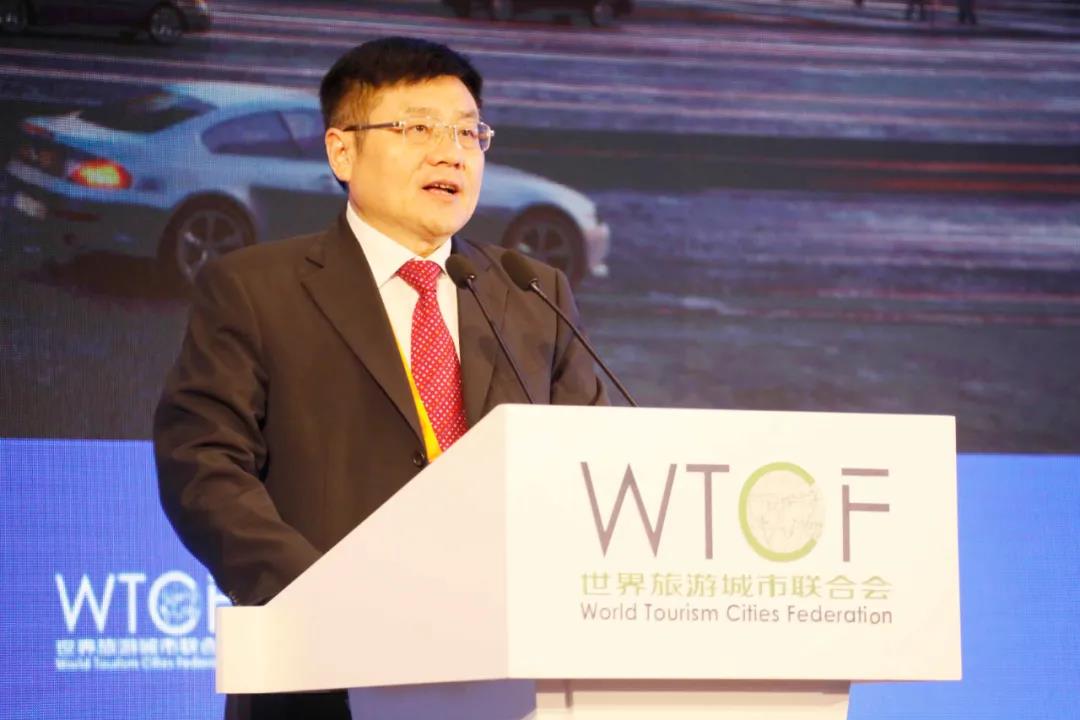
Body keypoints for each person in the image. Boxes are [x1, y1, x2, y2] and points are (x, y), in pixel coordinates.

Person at [153, 36, 606, 720]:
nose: (451, 153)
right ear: (343, 152)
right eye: (418, 128)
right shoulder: (254, 289)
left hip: (513, 678)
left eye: (467, 132)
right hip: (324, 679)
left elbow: (590, 472)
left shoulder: (532, 292)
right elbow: (203, 466)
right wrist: (325, 599)